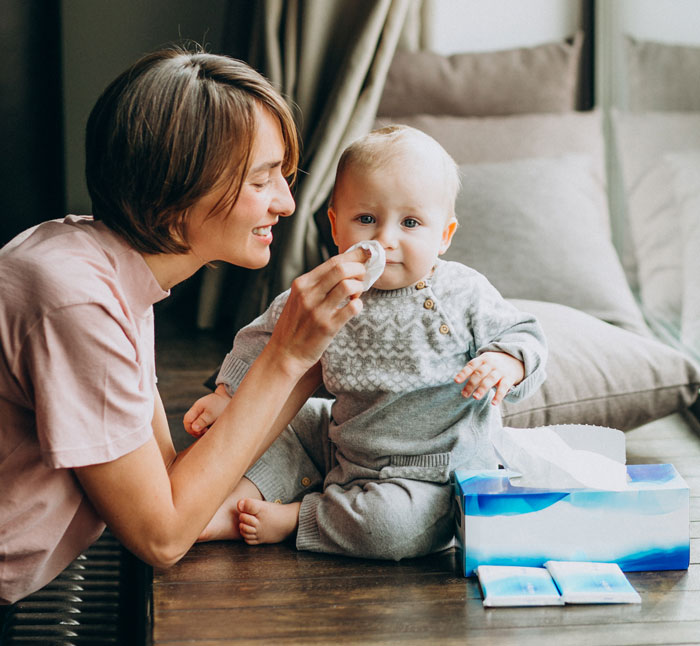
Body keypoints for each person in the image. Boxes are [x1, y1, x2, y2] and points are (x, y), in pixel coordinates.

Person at [0, 47, 374, 609]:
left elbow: (173, 481)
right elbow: (163, 534)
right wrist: (284, 357)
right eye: (261, 180)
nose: (288, 203)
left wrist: (307, 354)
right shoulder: (76, 303)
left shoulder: (102, 267)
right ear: (176, 187)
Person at [184, 125, 548, 560]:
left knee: (390, 525)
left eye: (410, 223)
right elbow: (264, 339)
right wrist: (230, 397)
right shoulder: (329, 287)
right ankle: (221, 504)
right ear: (336, 225)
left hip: (432, 474)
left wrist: (507, 363)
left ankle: (301, 516)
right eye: (367, 219)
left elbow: (525, 335)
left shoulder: (462, 292)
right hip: (343, 439)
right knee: (272, 426)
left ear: (445, 235)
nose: (385, 239)